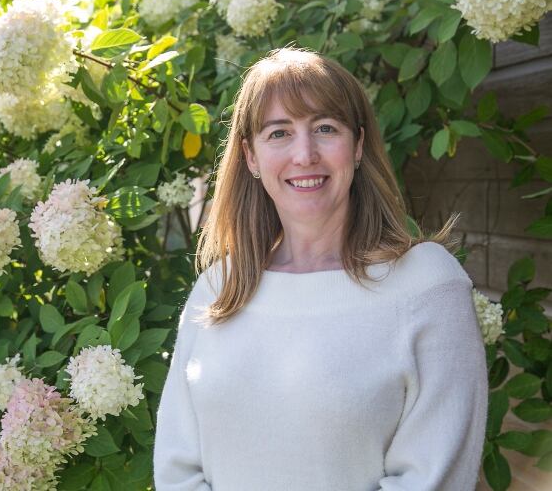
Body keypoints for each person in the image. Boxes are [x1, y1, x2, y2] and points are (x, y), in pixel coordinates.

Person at [152, 47, 489, 490]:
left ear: (358, 146)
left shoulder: (425, 284)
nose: (304, 153)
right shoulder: (218, 287)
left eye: (325, 128)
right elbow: (177, 468)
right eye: (279, 133)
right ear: (251, 157)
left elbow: (432, 478)